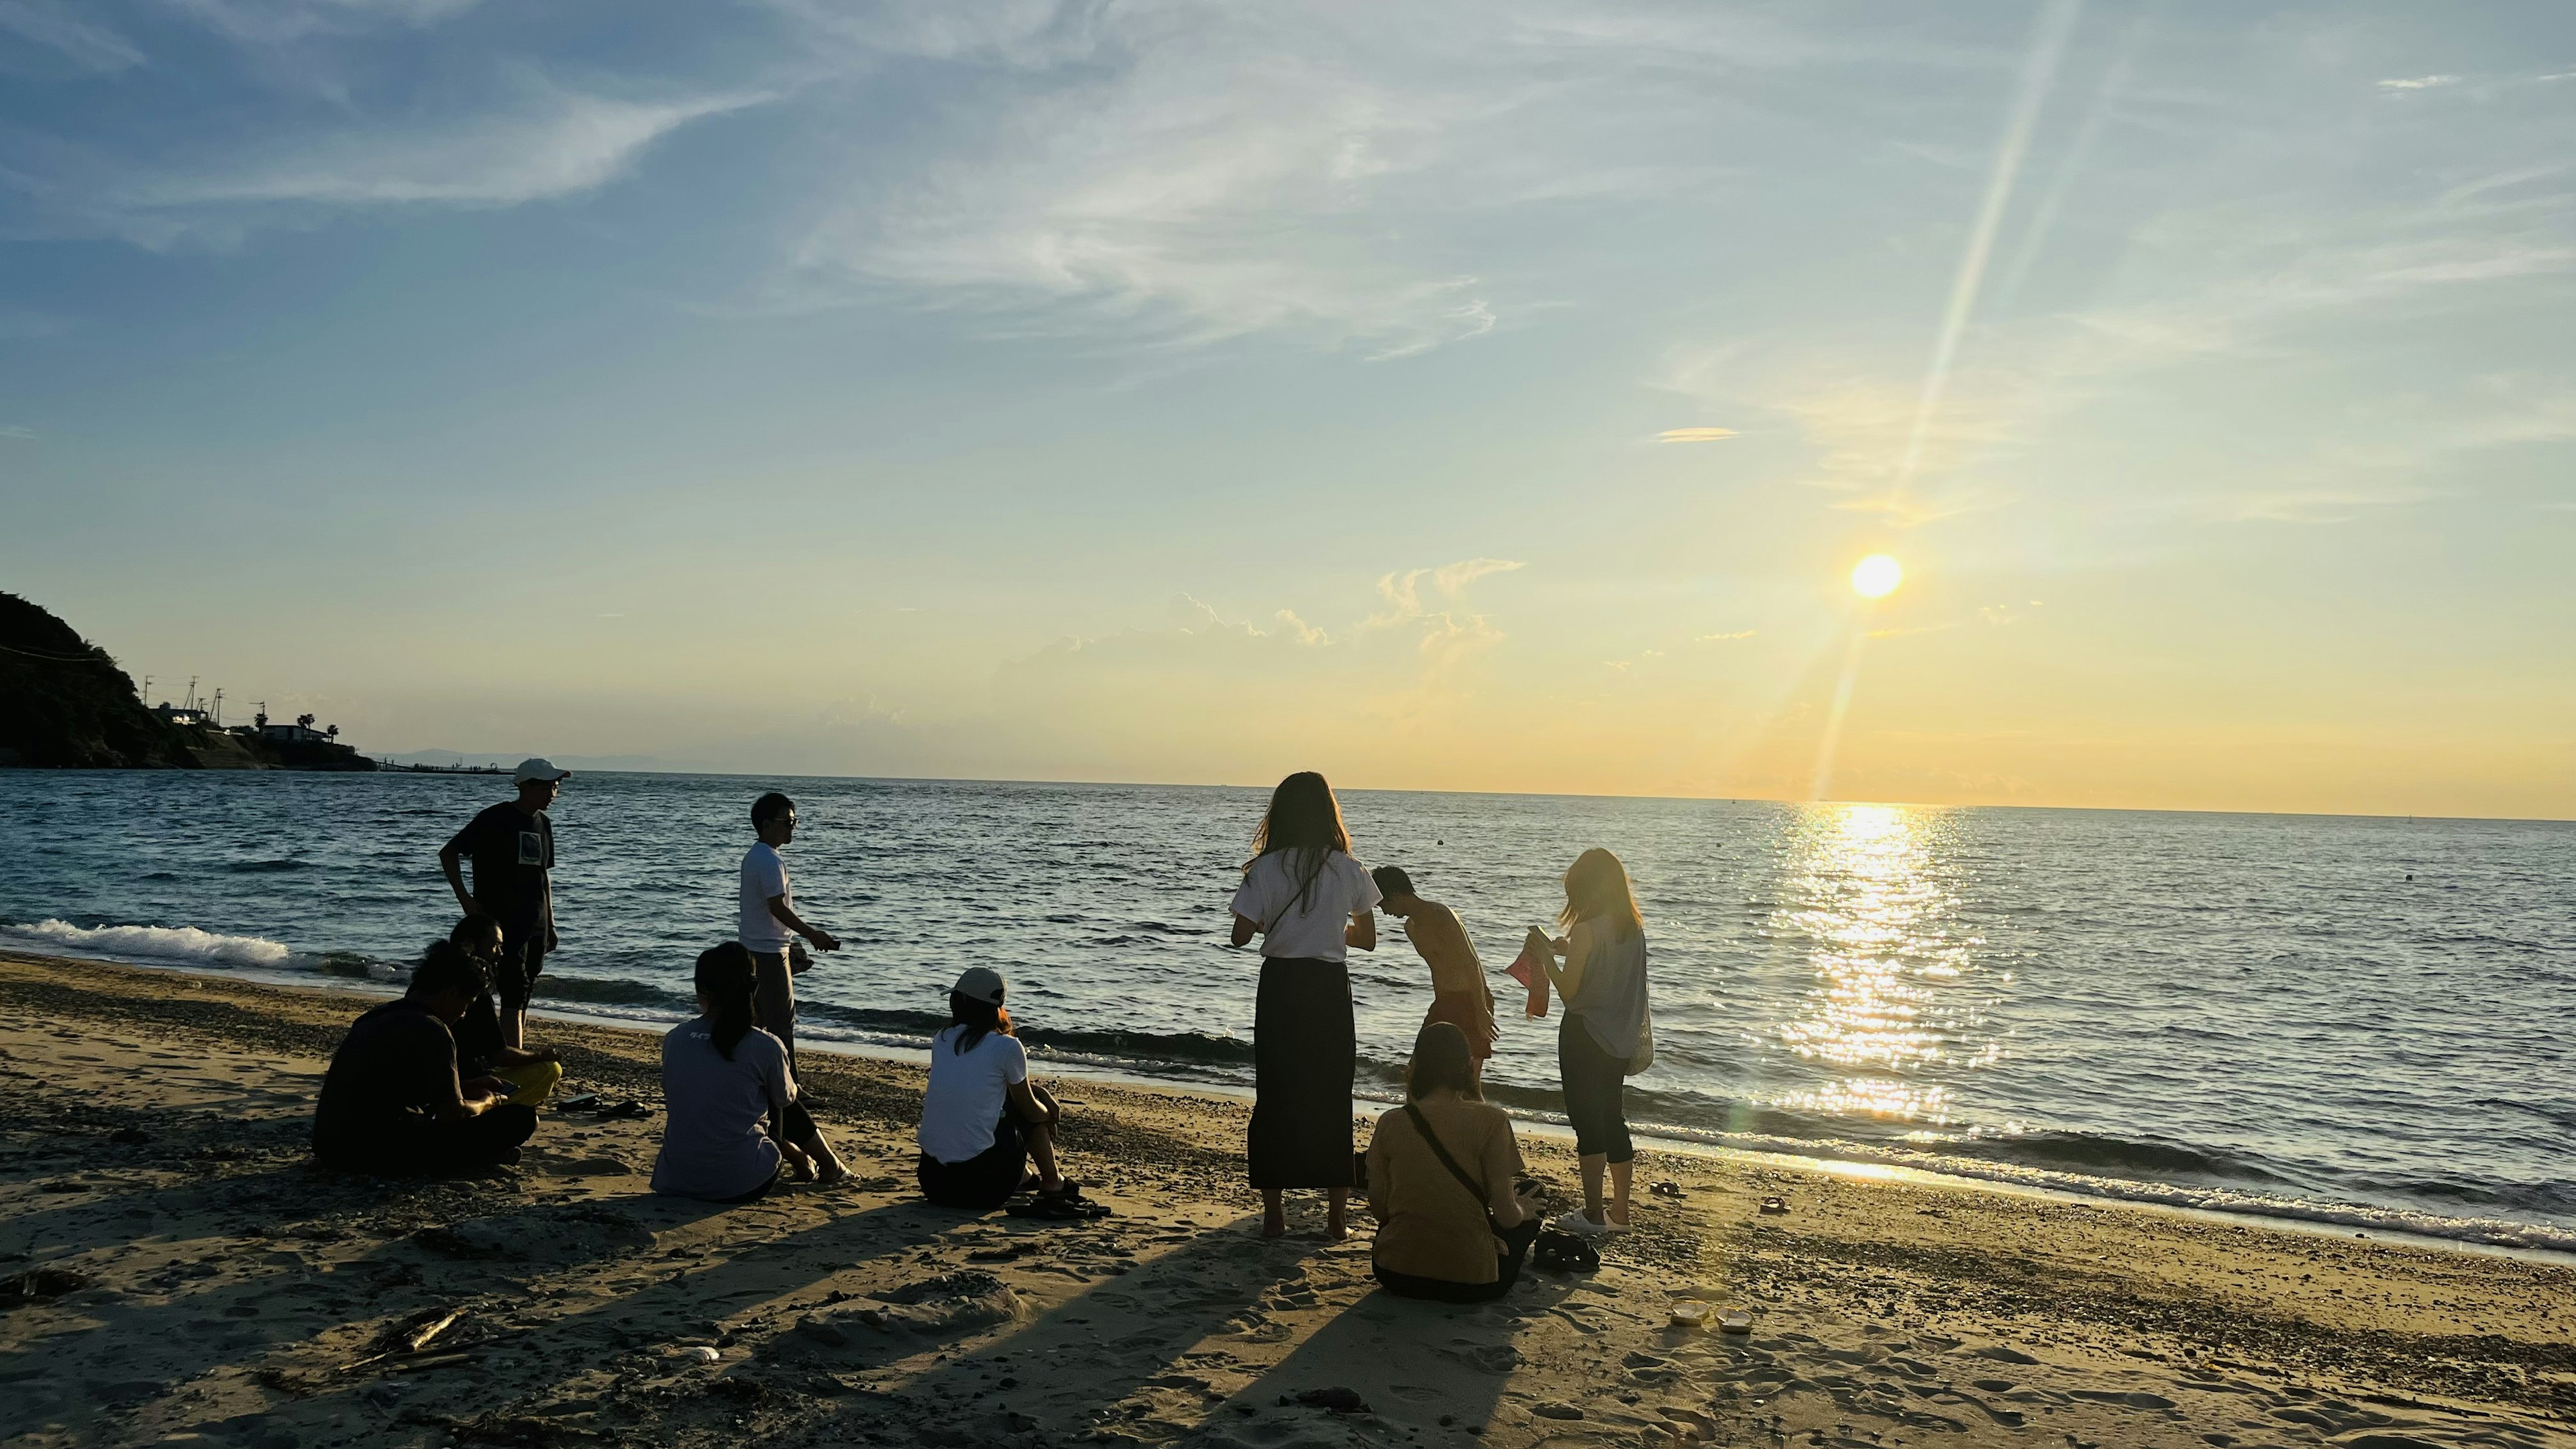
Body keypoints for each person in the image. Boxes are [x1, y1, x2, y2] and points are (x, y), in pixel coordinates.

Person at [1228, 771, 1381, 1240]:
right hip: (1329, 988)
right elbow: (1368, 939)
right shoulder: (1348, 868)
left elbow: (1239, 936)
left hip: (1280, 988)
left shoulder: (1265, 869)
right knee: (1332, 1095)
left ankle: (1275, 1216)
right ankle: (1336, 1218)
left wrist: (1276, 924)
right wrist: (1330, 929)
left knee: (1276, 1095)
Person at [313, 941, 537, 1176]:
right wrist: (487, 1102)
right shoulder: (435, 1030)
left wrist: (465, 1087)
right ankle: (473, 1158)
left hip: (330, 1146)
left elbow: (402, 1089)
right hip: (375, 1151)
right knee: (522, 1118)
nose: (463, 1015)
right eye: (467, 1006)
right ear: (451, 993)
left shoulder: (374, 1017)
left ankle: (481, 1156)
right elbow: (453, 1114)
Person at [651, 944, 847, 1201]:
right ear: (751, 989)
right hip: (743, 1182)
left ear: (703, 991)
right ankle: (828, 1164)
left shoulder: (676, 1039)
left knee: (721, 1096)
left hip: (675, 1179)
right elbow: (785, 1100)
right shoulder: (763, 1045)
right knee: (779, 1095)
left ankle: (803, 1160)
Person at [1363, 1023, 1542, 1302]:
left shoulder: (1391, 1121)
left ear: (1416, 1065)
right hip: (1472, 1283)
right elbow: (1507, 1217)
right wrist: (1524, 1211)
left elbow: (1380, 1210)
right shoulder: (1492, 1121)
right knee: (1533, 1192)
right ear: (1467, 1066)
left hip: (1394, 1273)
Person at [1532, 847, 1652, 1236]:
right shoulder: (1631, 929)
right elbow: (1609, 967)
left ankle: (1593, 1214)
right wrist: (1567, 951)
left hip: (1584, 1035)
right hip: (1619, 1036)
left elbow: (1569, 991)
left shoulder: (1586, 930)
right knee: (1612, 1117)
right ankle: (1621, 1212)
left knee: (1587, 1123)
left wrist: (1544, 956)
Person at [916, 967, 1081, 1211]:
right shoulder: (1007, 1047)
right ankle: (1053, 1181)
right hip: (985, 1188)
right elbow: (1028, 1109)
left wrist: (1041, 1093)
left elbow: (980, 1084)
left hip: (934, 1183)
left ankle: (1025, 1178)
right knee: (1025, 1112)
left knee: (996, 1107)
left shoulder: (942, 1038)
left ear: (958, 1002)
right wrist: (1048, 1114)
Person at [439, 759, 571, 1050]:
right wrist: (466, 901)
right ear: (525, 786)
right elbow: (449, 853)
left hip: (535, 924)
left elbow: (543, 876)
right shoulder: (495, 818)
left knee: (524, 994)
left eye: (557, 787)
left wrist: (550, 924)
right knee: (512, 991)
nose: (553, 793)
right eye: (547, 786)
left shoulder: (544, 824)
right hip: (501, 924)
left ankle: (510, 1053)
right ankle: (513, 1060)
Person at [739, 791, 840, 1073]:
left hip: (755, 946)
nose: (792, 827)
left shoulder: (756, 856)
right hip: (769, 950)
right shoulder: (770, 861)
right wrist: (812, 934)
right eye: (788, 821)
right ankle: (790, 1085)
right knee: (783, 1021)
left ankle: (749, 1074)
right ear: (767, 824)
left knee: (756, 1019)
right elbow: (777, 908)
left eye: (794, 821)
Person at [1373, 866, 1497, 1086]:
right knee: (1417, 1072)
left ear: (1396, 895)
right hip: (1443, 1003)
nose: (1384, 912)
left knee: (1469, 1081)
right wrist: (1440, 1005)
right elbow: (1437, 969)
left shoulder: (1441, 915)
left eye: (1384, 905)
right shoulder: (1410, 927)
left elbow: (1471, 963)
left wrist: (1481, 1010)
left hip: (1471, 1000)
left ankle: (1483, 1120)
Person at [447, 914, 565, 1106]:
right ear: (471, 945)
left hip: (455, 1075)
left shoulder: (434, 977)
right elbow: (499, 1055)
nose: (500, 953)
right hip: (466, 1079)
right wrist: (539, 1056)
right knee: (550, 1069)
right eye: (495, 945)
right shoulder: (475, 992)